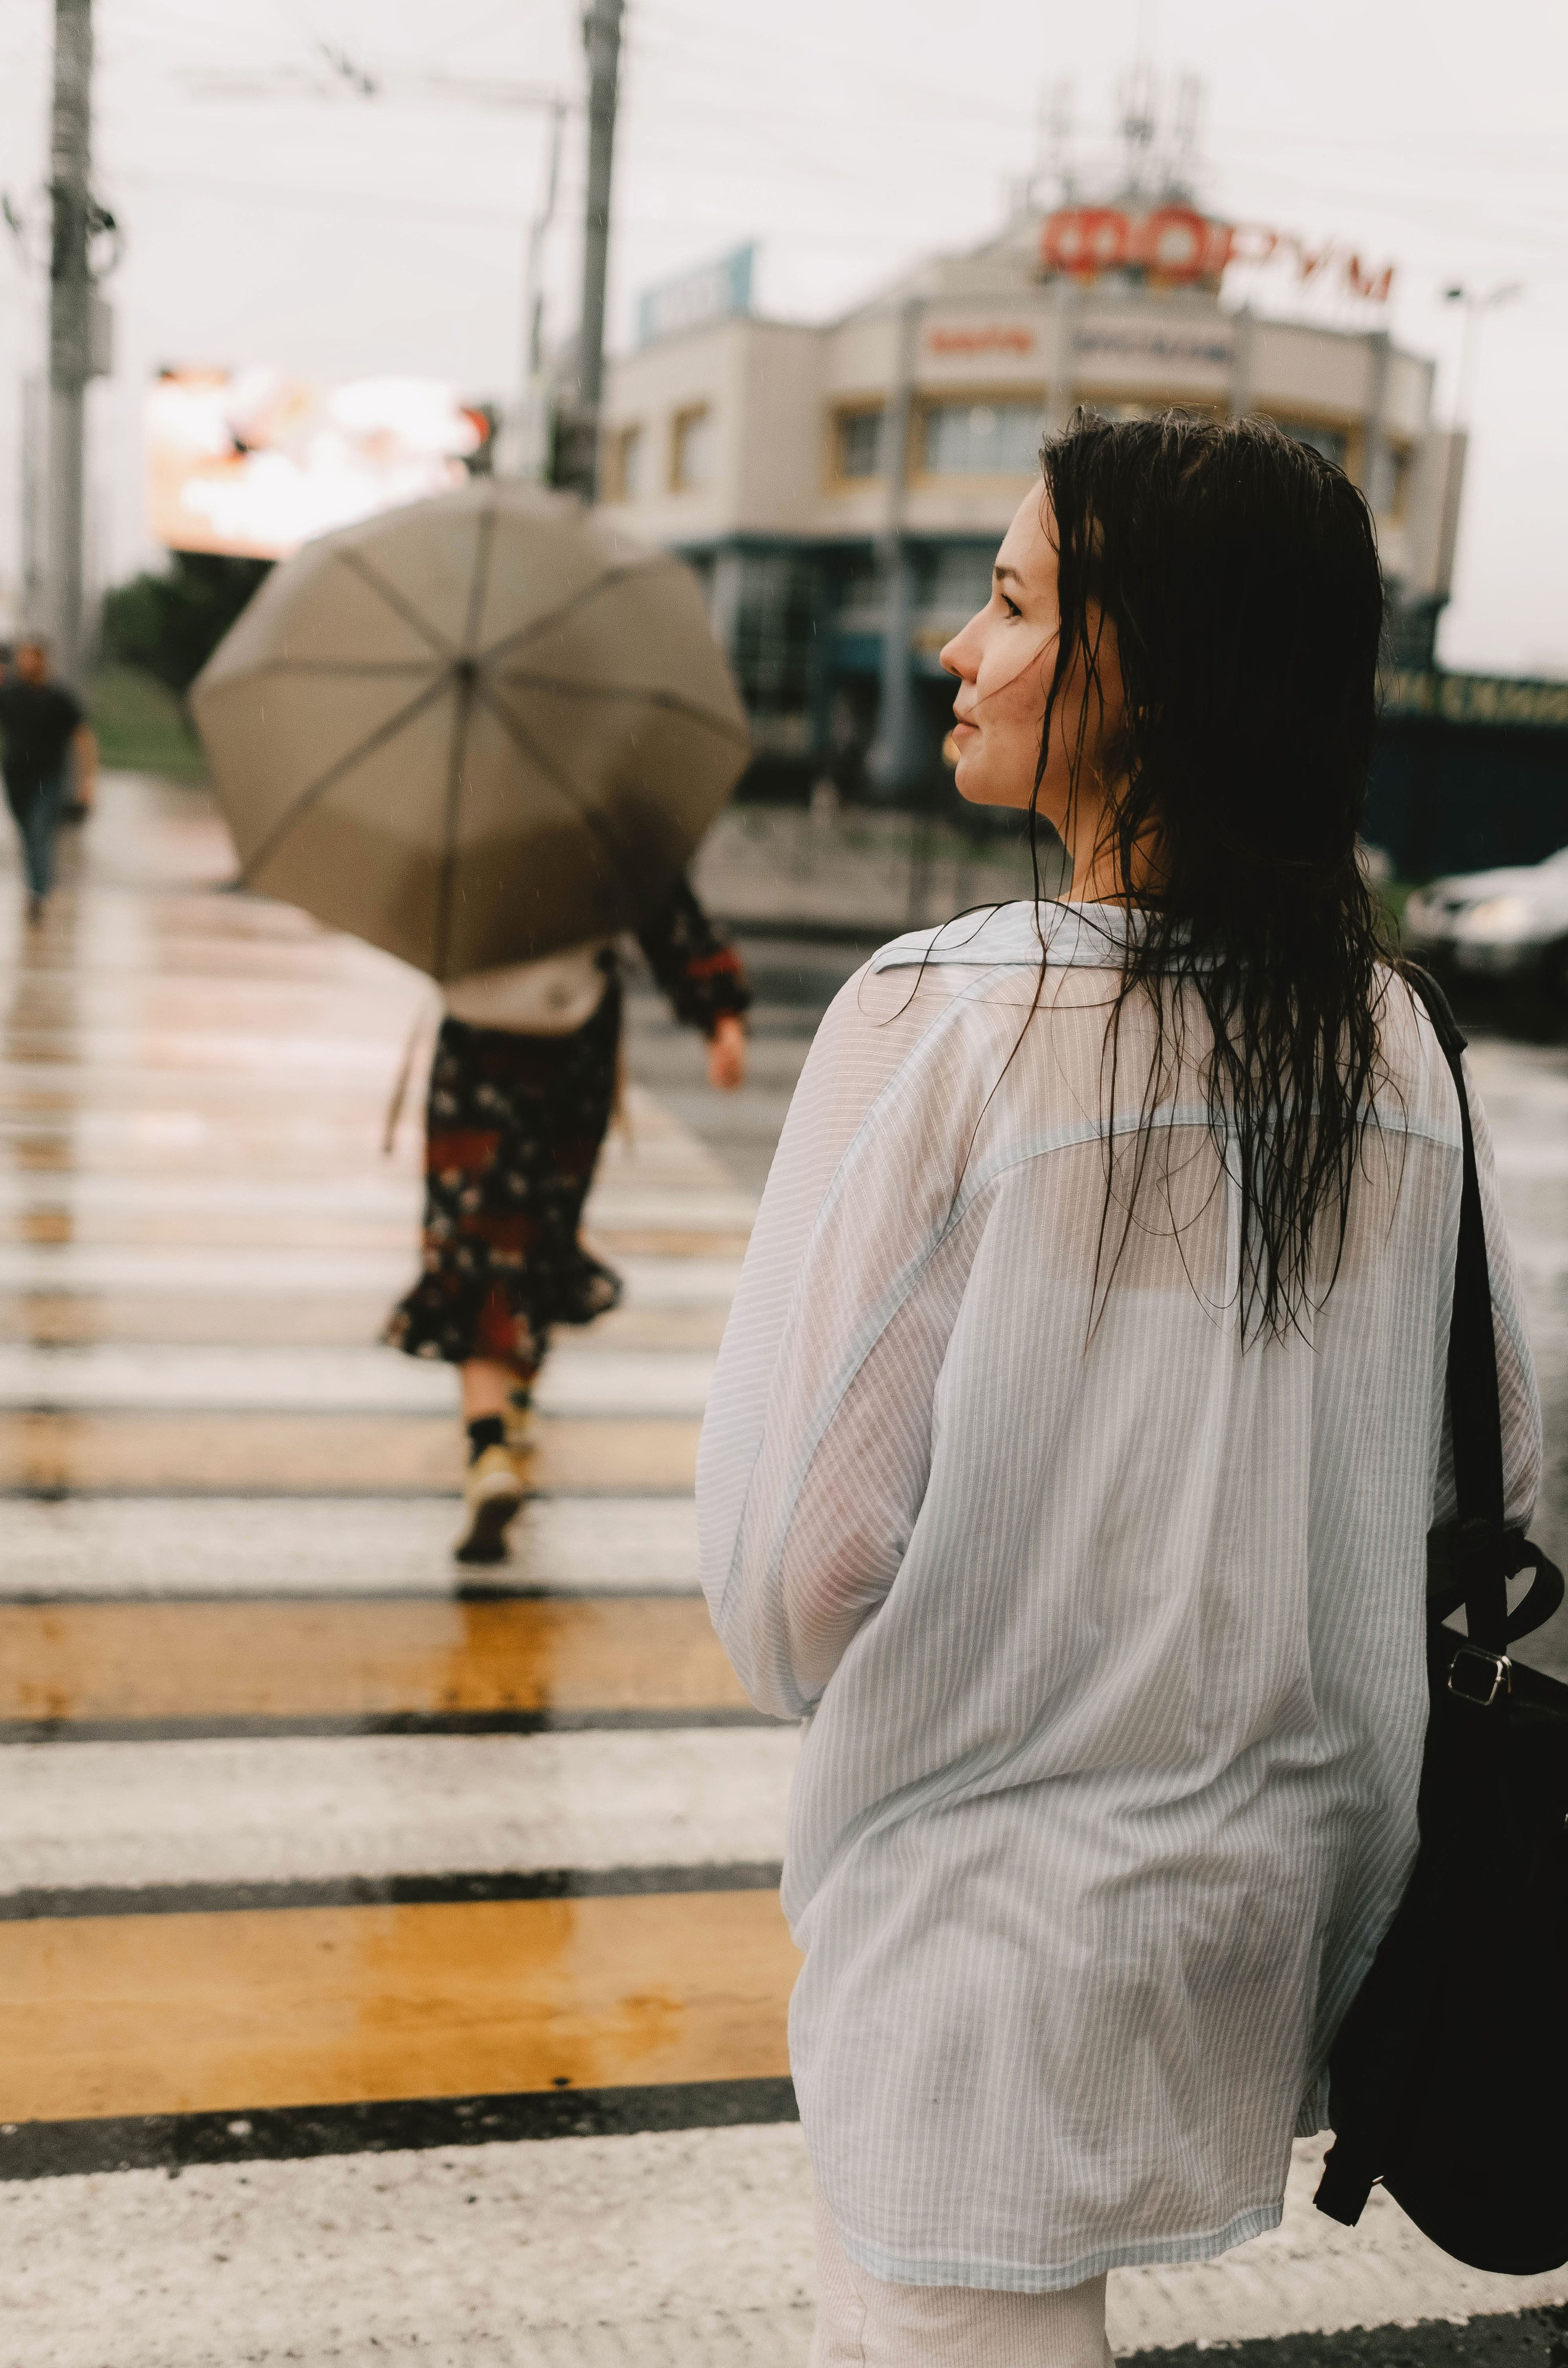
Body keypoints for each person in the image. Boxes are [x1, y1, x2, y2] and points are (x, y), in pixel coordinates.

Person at [697, 414, 1541, 2366]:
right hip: (1279, 1896)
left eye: (1005, 605)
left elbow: (799, 1563)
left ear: (1142, 676)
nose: (954, 654)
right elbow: (1489, 1465)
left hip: (983, 1914)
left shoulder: (947, 1015)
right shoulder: (1396, 1045)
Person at [388, 875, 750, 1563]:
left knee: (475, 1238)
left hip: (477, 1041)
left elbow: (412, 909)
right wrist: (718, 1013)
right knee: (543, 1225)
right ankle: (518, 1395)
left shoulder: (459, 798)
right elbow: (662, 902)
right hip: (574, 1041)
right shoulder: (599, 800)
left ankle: (488, 1444)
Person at [0, 637, 96, 919]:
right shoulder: (6, 695)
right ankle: (37, 885)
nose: (28, 662)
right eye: (24, 656)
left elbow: (83, 740)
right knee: (27, 835)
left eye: (34, 657)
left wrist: (87, 784)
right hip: (14, 777)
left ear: (44, 661)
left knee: (39, 833)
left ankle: (38, 894)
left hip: (47, 778)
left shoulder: (58, 699)